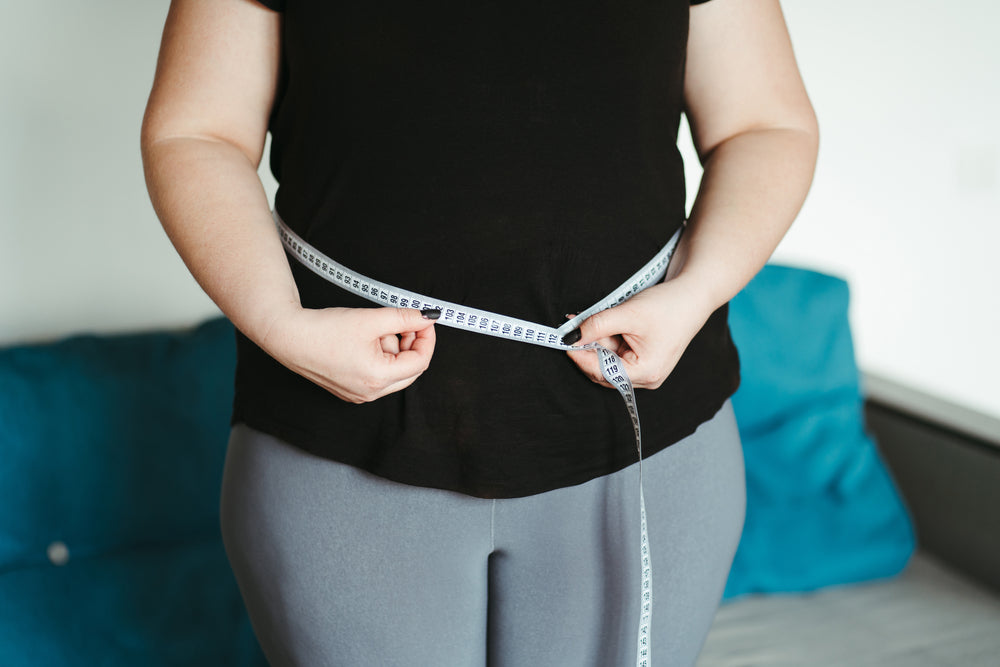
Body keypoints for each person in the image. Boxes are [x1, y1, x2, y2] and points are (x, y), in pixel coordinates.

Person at [141, 0, 818, 664]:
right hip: (339, 440)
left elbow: (763, 124)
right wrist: (281, 325)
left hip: (642, 438)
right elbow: (198, 131)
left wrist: (694, 293)